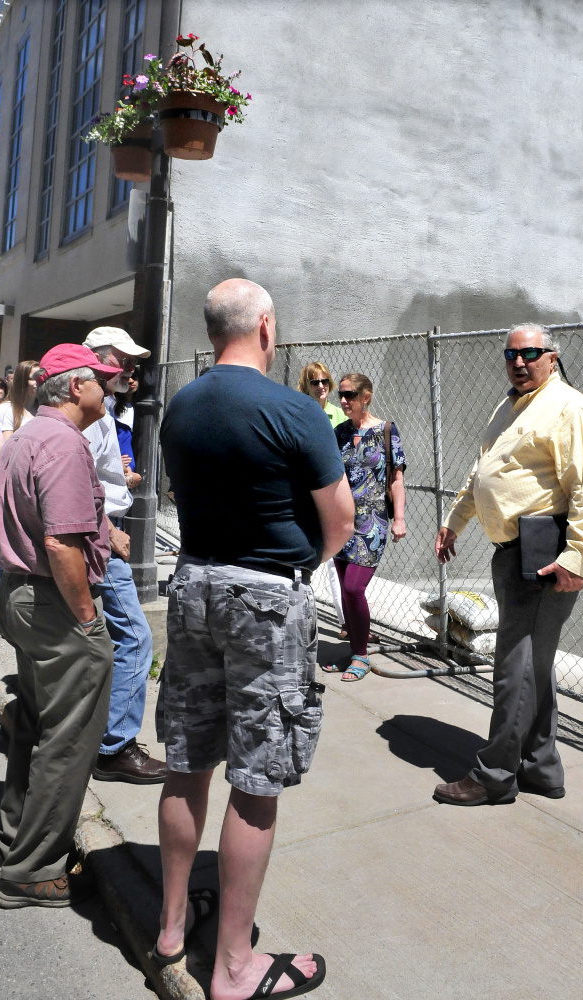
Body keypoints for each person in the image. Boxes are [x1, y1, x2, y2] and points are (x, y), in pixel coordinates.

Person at [155, 278, 353, 999]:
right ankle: (235, 966)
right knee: (256, 779)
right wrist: (296, 561)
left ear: (215, 331)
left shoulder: (180, 407)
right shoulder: (294, 410)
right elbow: (340, 522)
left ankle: (172, 927)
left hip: (194, 585)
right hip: (266, 596)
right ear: (265, 327)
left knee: (187, 759)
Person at [433, 323, 583, 806]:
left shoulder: (569, 406)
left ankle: (494, 776)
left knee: (515, 667)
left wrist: (578, 557)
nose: (519, 361)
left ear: (552, 356)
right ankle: (540, 767)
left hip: (546, 553)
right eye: (511, 354)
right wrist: (455, 521)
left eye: (530, 353)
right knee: (535, 665)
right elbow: (483, 470)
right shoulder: (511, 404)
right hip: (512, 552)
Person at [0, 344, 123, 907]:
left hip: (22, 596)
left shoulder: (27, 436)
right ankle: (33, 868)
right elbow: (61, 542)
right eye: (101, 382)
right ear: (73, 388)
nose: (109, 391)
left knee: (37, 723)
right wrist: (88, 620)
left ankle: (15, 845)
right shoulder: (65, 444)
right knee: (67, 737)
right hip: (52, 601)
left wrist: (102, 530)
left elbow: (60, 524)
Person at [81, 326, 166, 784]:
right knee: (135, 639)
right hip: (99, 537)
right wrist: (108, 528)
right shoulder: (91, 413)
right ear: (95, 359)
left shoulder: (105, 409)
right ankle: (115, 748)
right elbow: (74, 479)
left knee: (98, 640)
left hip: (98, 532)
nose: (129, 369)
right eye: (121, 359)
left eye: (132, 362)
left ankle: (99, 737)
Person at [322, 373, 406, 681]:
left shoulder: (386, 430)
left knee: (354, 587)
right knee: (346, 592)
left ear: (366, 397)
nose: (343, 400)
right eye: (341, 394)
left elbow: (397, 479)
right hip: (341, 521)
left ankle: (361, 656)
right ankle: (355, 651)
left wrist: (399, 518)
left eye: (350, 395)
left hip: (373, 522)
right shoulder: (339, 432)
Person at [298, 361, 348, 637]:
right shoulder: (300, 413)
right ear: (306, 385)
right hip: (306, 496)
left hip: (333, 495)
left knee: (334, 562)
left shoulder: (338, 416)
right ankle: (300, 617)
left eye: (325, 381)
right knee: (307, 561)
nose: (321, 387)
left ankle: (345, 622)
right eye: (315, 382)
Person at [0, 359, 39, 445]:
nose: (38, 382)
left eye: (41, 378)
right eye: (34, 378)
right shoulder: (6, 409)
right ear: (21, 381)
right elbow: (7, 446)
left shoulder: (43, 408)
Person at [113, 370, 142, 488]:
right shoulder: (112, 406)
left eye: (134, 377)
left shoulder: (142, 406)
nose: (131, 381)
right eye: (127, 378)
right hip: (123, 455)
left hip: (140, 453)